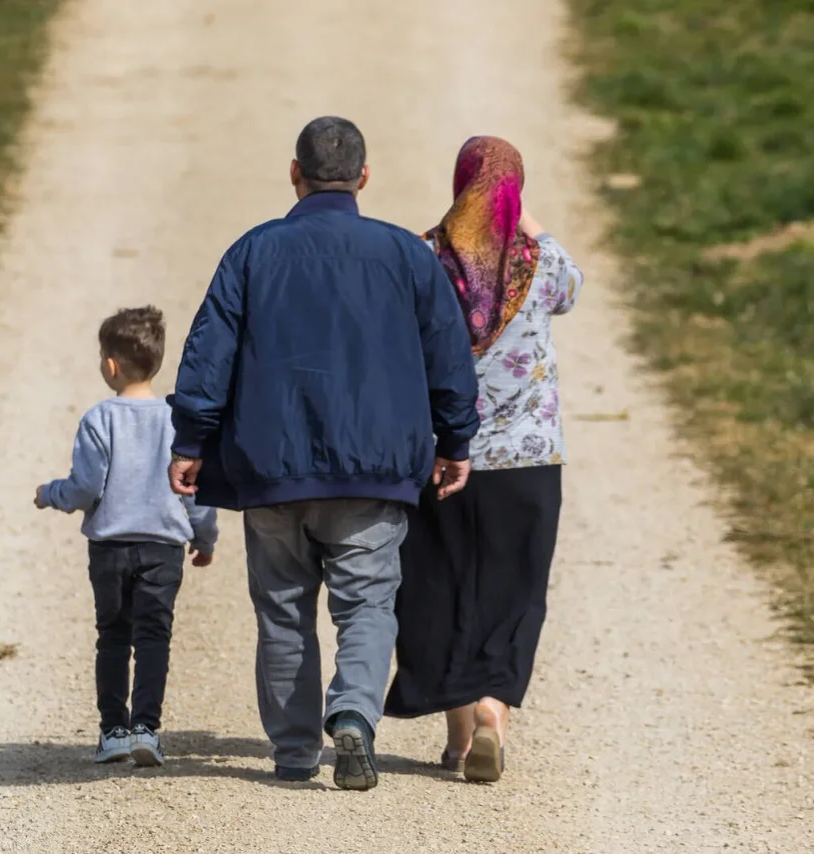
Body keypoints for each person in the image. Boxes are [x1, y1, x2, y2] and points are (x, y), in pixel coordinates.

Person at [167, 117, 479, 790]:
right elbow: (450, 362)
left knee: (283, 608)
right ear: (364, 177)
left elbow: (207, 355)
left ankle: (292, 750)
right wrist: (456, 442)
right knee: (367, 605)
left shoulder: (253, 253)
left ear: (294, 173)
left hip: (272, 467)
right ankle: (354, 719)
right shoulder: (405, 257)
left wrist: (191, 440)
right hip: (374, 471)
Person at [384, 137, 584, 783]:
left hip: (440, 455)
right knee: (513, 590)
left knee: (437, 586)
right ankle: (495, 706)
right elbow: (573, 286)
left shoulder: (421, 258)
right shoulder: (542, 263)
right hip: (528, 462)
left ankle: (459, 733)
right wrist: (523, 212)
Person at [35, 306, 218, 767]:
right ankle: (146, 729)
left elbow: (85, 487)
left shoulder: (99, 419)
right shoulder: (178, 418)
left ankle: (113, 730)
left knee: (113, 636)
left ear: (111, 365)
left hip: (111, 547)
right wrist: (204, 536)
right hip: (163, 547)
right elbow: (196, 490)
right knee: (155, 635)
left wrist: (49, 494)